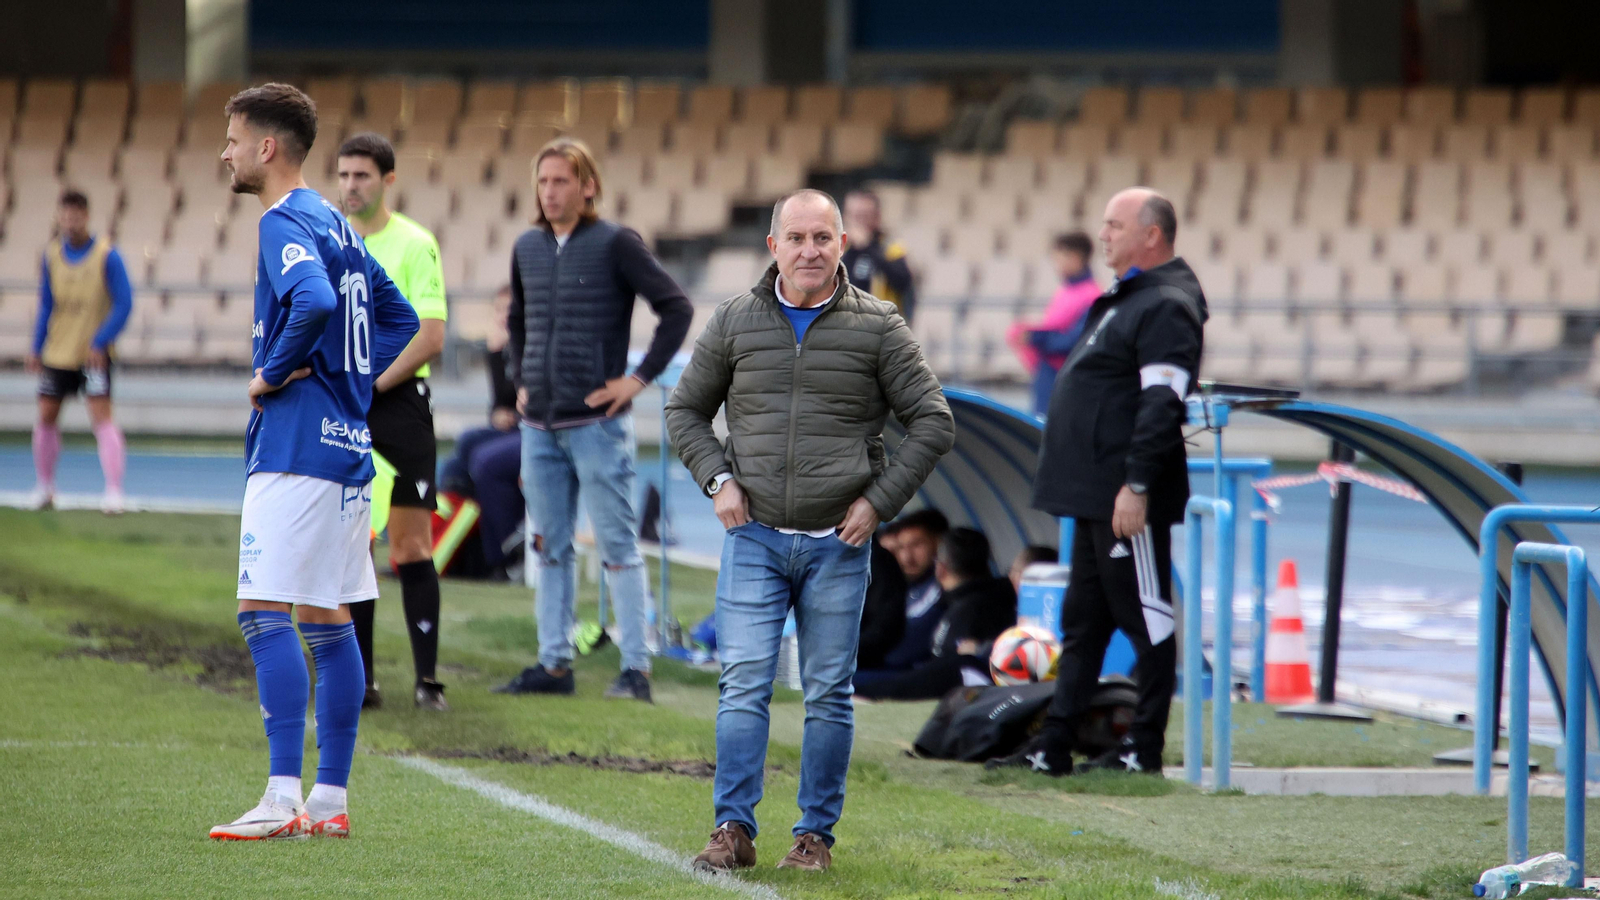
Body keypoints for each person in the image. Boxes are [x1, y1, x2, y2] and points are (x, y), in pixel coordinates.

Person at [665, 188, 954, 872]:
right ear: (773, 247)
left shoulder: (880, 325)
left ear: (842, 245)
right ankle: (732, 829)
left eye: (822, 238)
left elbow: (935, 421)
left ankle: (813, 838)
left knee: (828, 692)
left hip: (839, 545)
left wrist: (880, 502)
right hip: (754, 539)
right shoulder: (735, 320)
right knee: (743, 684)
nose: (809, 250)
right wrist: (718, 481)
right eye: (795, 238)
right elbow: (684, 413)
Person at [211, 83, 419, 840]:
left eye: (232, 138)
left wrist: (277, 370)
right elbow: (397, 321)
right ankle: (328, 802)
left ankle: (278, 795)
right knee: (329, 619)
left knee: (262, 613)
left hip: (296, 448)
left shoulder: (282, 220)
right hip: (347, 452)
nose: (224, 151)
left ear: (267, 147)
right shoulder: (341, 225)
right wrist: (349, 385)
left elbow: (316, 304)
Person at [987, 187, 1206, 778]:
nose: (1102, 235)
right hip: (1090, 498)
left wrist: (1136, 486)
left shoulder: (1167, 303)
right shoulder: (1127, 297)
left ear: (1151, 234)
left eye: (1114, 225)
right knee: (1083, 623)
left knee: (1147, 621)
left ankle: (1144, 748)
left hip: (1122, 499)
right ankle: (1053, 743)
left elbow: (1162, 402)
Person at [493, 137, 693, 703]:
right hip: (540, 429)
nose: (550, 191)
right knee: (550, 549)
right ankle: (553, 664)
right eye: (543, 181)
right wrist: (522, 380)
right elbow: (516, 321)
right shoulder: (527, 247)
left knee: (617, 548)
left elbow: (676, 308)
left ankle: (636, 669)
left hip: (598, 427)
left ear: (588, 187)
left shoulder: (616, 244)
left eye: (561, 181)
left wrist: (638, 379)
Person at [335, 132, 450, 712]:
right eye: (344, 175)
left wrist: (373, 383)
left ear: (387, 180)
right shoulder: (327, 240)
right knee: (355, 545)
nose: (351, 185)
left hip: (398, 407)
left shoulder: (414, 244)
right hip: (343, 409)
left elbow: (431, 336)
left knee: (409, 545)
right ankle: (364, 683)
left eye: (362, 175)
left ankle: (428, 682)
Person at [26, 190, 133, 514]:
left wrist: (101, 340)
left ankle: (114, 491)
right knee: (46, 414)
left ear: (86, 216)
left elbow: (124, 303)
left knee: (102, 417)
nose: (70, 222)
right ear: (59, 217)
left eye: (75, 216)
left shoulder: (106, 256)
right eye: (65, 216)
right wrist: (37, 345)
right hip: (59, 351)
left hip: (92, 354)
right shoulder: (51, 255)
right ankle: (45, 487)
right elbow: (47, 303)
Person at [854, 527, 1017, 701]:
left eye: (917, 545)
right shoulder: (998, 601)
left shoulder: (959, 612)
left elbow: (941, 669)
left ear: (941, 568)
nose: (908, 556)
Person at [438, 285, 524, 573]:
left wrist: (498, 355)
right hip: (514, 429)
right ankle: (450, 548)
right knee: (459, 456)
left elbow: (525, 396)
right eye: (498, 310)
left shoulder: (530, 343)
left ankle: (498, 557)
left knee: (485, 461)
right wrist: (495, 353)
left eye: (509, 310)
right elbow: (501, 404)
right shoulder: (506, 346)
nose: (503, 317)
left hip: (535, 430)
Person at [852, 508, 949, 692]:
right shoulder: (902, 585)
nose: (907, 557)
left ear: (939, 543)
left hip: (913, 671)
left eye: (917, 545)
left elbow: (912, 638)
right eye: (901, 548)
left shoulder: (940, 588)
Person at [1007, 232, 1099, 417]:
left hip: (1068, 381)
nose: (1057, 265)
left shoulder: (1092, 296)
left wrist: (1034, 337)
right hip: (1048, 376)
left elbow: (1075, 341)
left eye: (1060, 259)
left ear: (1075, 257)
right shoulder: (1065, 291)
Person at [841, 189, 916, 323]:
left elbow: (904, 282)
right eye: (852, 215)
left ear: (877, 218)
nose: (856, 222)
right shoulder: (838, 248)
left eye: (863, 216)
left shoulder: (890, 248)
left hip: (878, 327)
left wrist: (867, 246)